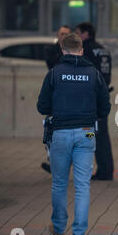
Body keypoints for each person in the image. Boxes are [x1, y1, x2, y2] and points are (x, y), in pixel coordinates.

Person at [37, 33, 111, 235]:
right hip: (87, 132)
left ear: (62, 50)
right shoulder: (93, 74)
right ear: (81, 50)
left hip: (60, 132)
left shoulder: (54, 74)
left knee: (59, 183)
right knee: (82, 185)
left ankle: (59, 229)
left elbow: (42, 106)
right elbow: (105, 107)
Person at [75, 22, 114, 181]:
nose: (76, 36)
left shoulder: (86, 50)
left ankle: (103, 171)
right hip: (103, 95)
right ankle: (106, 169)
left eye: (78, 32)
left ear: (86, 34)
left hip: (91, 97)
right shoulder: (104, 50)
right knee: (102, 134)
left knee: (89, 134)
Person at [41, 25, 71, 174]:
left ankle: (61, 162)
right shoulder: (51, 50)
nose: (64, 36)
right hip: (56, 92)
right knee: (51, 128)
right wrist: (63, 51)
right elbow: (52, 65)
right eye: (62, 34)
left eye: (67, 34)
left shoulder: (75, 50)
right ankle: (54, 160)